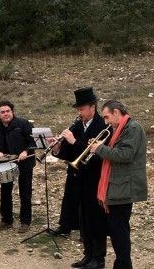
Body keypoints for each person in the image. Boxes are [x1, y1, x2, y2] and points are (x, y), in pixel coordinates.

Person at [50, 87, 108, 269]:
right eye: (78, 109)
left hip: (94, 178)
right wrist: (58, 148)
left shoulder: (102, 126)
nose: (79, 112)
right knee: (82, 218)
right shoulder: (77, 125)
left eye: (82, 109)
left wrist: (74, 141)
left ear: (93, 107)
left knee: (96, 219)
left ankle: (98, 259)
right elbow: (70, 153)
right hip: (76, 177)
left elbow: (97, 153)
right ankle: (87, 254)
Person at [90, 100, 147, 269]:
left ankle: (122, 265)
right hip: (117, 187)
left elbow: (125, 155)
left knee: (119, 232)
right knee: (117, 231)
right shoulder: (121, 128)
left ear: (116, 112)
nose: (106, 122)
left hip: (124, 188)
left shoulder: (133, 128)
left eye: (107, 117)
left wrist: (100, 148)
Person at [0, 100, 35, 232]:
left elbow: (33, 142)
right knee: (5, 192)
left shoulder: (23, 124)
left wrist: (26, 151)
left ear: (12, 111)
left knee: (25, 192)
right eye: (2, 112)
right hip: (5, 164)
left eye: (8, 111)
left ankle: (25, 221)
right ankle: (6, 220)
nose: (6, 114)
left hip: (24, 162)